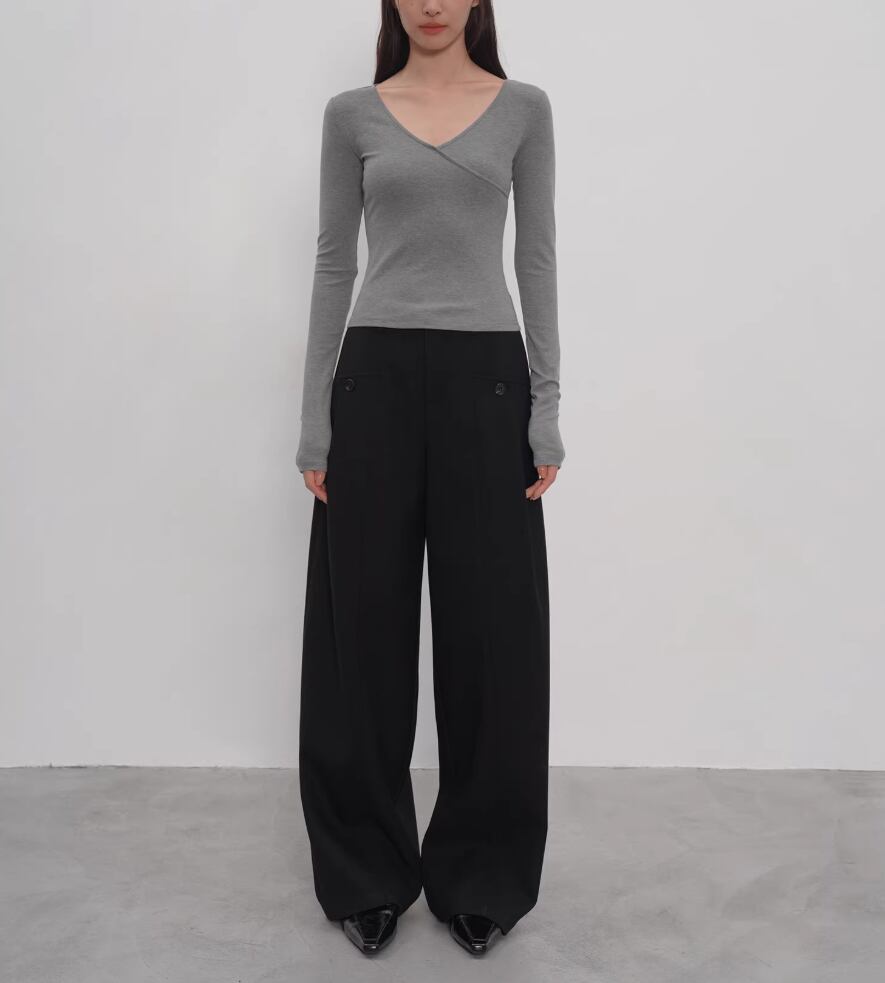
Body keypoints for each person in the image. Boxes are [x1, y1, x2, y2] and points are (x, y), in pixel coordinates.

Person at [296, 0, 565, 957]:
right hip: (371, 381)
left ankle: (482, 874)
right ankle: (365, 873)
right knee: (360, 633)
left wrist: (545, 402)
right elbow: (334, 264)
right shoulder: (351, 114)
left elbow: (535, 257)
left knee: (493, 634)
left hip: (485, 380)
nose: (434, 4)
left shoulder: (523, 108)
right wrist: (315, 417)